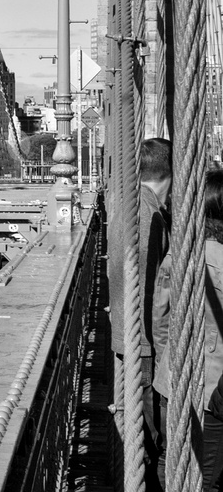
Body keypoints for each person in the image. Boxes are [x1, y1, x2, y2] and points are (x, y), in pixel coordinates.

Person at [152, 168, 223, 485]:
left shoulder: (177, 256)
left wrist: (164, 364)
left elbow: (161, 319)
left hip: (174, 379)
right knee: (207, 475)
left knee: (172, 460)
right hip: (213, 392)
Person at [110, 139, 173, 468]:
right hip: (145, 344)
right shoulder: (149, 218)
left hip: (131, 338)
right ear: (173, 175)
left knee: (143, 438)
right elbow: (154, 297)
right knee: (156, 443)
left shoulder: (133, 206)